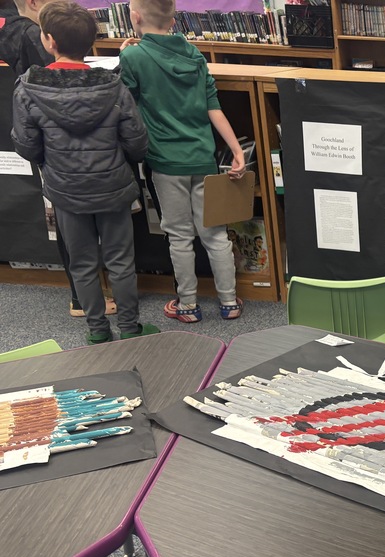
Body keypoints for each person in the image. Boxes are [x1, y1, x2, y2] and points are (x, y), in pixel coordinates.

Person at [11, 0, 157, 344]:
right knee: (121, 260)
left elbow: (27, 146)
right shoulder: (113, 85)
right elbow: (137, 142)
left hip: (65, 191)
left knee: (82, 262)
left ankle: (97, 331)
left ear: (49, 41)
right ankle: (131, 328)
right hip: (112, 185)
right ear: (91, 41)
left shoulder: (29, 88)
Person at [119, 0, 246, 323]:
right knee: (215, 234)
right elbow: (212, 107)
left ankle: (187, 305)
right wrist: (237, 150)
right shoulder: (194, 55)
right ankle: (229, 302)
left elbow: (127, 105)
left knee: (179, 236)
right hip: (202, 159)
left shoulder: (133, 57)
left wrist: (125, 55)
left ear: (134, 17)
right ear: (174, 20)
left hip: (164, 161)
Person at [0, 0, 118, 319]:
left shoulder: (13, 30)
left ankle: (83, 295)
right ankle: (82, 298)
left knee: (67, 223)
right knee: (75, 227)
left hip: (48, 146)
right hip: (65, 143)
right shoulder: (32, 37)